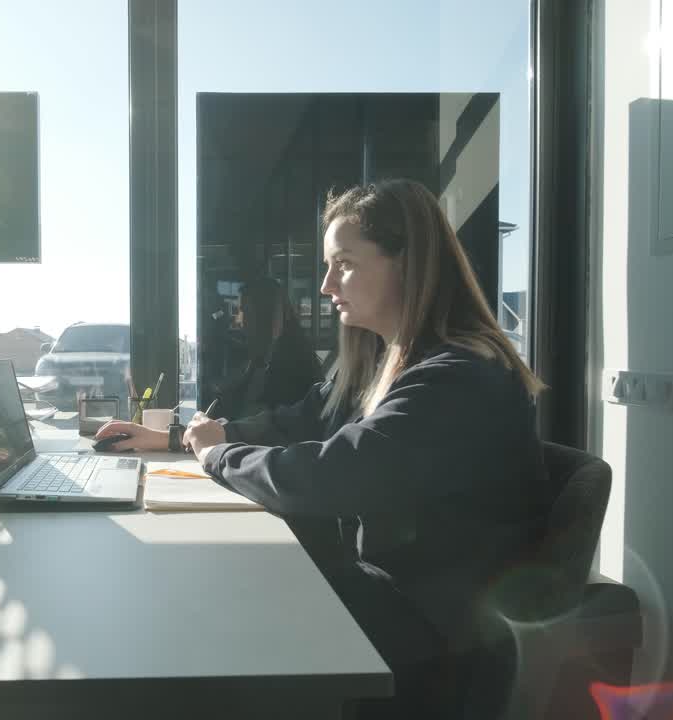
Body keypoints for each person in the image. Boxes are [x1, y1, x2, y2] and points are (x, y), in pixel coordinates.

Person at [96, 179, 549, 717]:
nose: (328, 283)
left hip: (435, 629)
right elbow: (297, 422)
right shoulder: (385, 363)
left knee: (199, 611)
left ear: (409, 263)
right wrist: (174, 438)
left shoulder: (461, 377)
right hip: (392, 591)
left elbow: (335, 475)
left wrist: (216, 457)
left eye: (345, 263)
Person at [213, 277, 323, 419]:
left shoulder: (291, 366)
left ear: (262, 315)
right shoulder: (263, 359)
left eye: (245, 311)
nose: (239, 321)